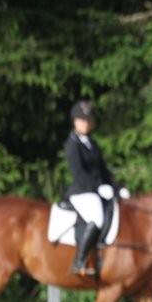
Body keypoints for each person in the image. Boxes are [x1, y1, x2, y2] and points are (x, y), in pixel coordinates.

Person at [62, 100, 127, 276]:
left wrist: (117, 188)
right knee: (97, 218)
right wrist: (98, 188)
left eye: (88, 120)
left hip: (96, 190)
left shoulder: (92, 143)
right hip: (82, 191)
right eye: (82, 120)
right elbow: (79, 173)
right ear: (75, 121)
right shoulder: (72, 145)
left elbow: (103, 170)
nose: (85, 123)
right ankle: (79, 261)